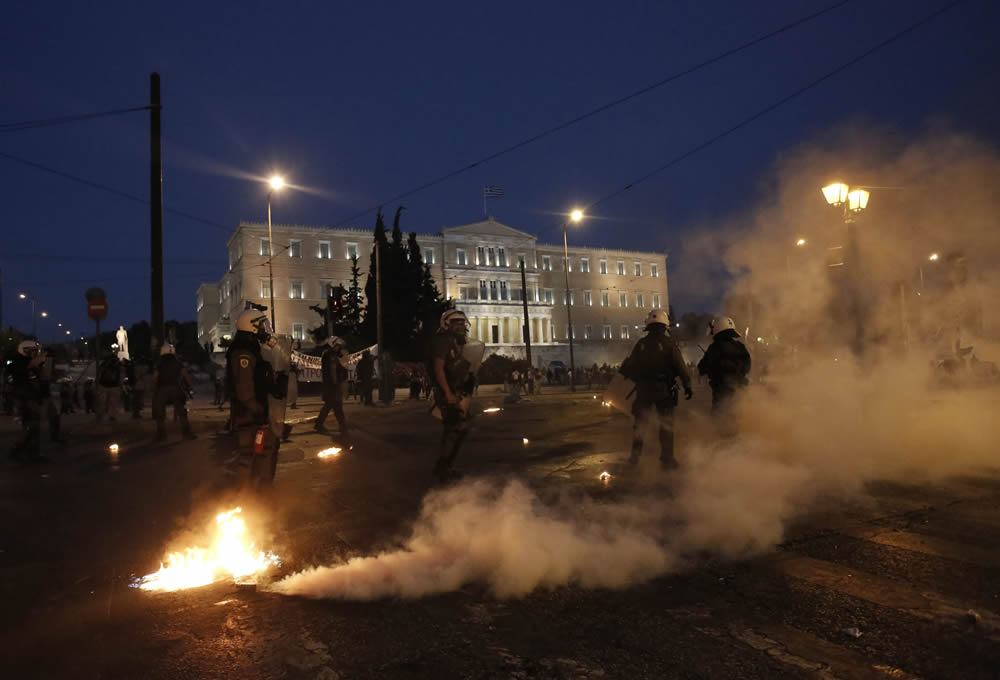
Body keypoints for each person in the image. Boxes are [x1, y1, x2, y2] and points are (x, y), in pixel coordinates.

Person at [619, 309, 693, 469]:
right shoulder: (669, 344)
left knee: (640, 425)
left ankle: (635, 457)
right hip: (664, 391)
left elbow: (629, 368)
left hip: (644, 390)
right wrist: (687, 385)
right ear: (665, 326)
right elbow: (681, 367)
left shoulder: (641, 344)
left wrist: (639, 379)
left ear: (649, 326)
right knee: (666, 424)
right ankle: (667, 459)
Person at [225, 308, 283, 484]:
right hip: (249, 413)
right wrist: (257, 410)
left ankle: (255, 492)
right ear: (251, 327)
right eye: (261, 325)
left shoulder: (251, 347)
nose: (264, 329)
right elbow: (244, 388)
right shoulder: (244, 352)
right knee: (251, 454)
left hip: (253, 410)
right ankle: (251, 496)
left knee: (261, 451)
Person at [429, 309, 476, 481]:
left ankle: (445, 466)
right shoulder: (443, 342)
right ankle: (443, 468)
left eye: (463, 323)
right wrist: (447, 393)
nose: (461, 326)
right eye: (457, 323)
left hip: (455, 390)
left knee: (457, 429)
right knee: (455, 428)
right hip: (446, 391)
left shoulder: (454, 343)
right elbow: (438, 368)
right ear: (447, 324)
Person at [697, 316, 751, 417]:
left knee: (719, 420)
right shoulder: (740, 346)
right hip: (739, 390)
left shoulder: (714, 348)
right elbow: (747, 366)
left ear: (718, 328)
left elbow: (701, 367)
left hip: (722, 392)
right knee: (736, 418)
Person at [9, 340, 46, 463]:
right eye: (33, 351)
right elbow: (22, 371)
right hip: (25, 398)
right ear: (26, 350)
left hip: (31, 397)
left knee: (32, 426)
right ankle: (22, 451)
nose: (35, 354)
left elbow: (38, 379)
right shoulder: (18, 361)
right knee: (32, 426)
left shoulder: (30, 364)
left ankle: (27, 451)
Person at [152, 344, 196, 442]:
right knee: (182, 413)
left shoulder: (159, 364)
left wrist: (155, 389)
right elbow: (186, 375)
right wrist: (190, 387)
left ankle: (161, 435)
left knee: (160, 414)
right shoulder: (178, 363)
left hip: (162, 389)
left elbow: (154, 378)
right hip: (176, 389)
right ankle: (186, 434)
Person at [315, 336, 349, 437]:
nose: (339, 348)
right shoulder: (329, 356)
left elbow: (341, 370)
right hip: (331, 386)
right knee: (337, 408)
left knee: (329, 406)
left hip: (334, 386)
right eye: (337, 346)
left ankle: (319, 425)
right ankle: (343, 429)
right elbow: (330, 372)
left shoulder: (335, 355)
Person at [95, 351, 122, 422]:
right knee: (106, 402)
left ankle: (109, 416)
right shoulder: (106, 364)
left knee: (107, 402)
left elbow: (121, 374)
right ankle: (106, 416)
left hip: (108, 385)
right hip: (108, 385)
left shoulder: (115, 365)